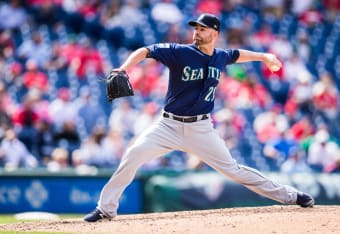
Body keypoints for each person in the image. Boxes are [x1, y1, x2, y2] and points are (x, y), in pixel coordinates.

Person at [84, 13, 314, 222]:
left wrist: (264, 56)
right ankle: (106, 208)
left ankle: (291, 195)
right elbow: (146, 50)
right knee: (133, 155)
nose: (197, 31)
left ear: (215, 33)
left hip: (201, 128)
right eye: (196, 28)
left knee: (233, 170)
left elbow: (238, 55)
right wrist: (123, 68)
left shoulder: (220, 57)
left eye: (203, 29)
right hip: (168, 125)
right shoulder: (180, 52)